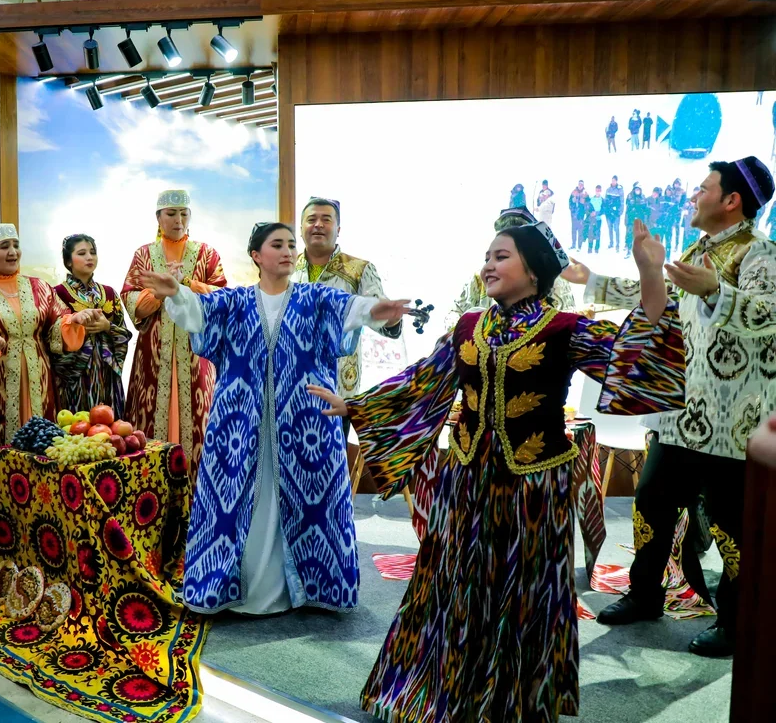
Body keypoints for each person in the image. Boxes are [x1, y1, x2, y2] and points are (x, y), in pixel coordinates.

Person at [311, 217, 682, 721]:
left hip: (533, 488)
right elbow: (422, 381)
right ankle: (446, 690)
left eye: (501, 256)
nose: (488, 265)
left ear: (534, 271)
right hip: (466, 481)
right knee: (454, 583)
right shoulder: (468, 326)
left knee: (520, 590)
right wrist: (355, 406)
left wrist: (651, 274)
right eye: (486, 256)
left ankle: (509, 701)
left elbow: (636, 356)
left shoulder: (566, 329)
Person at [140, 222, 412, 615]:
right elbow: (198, 313)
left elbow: (351, 308)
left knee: (309, 502)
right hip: (238, 428)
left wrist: (376, 311)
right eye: (277, 245)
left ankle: (308, 588)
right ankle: (238, 589)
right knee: (241, 504)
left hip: (306, 428)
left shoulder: (315, 298)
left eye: (290, 245)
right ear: (257, 255)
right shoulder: (234, 302)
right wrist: (177, 293)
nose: (287, 251)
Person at [565, 157, 776, 657]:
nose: (694, 196)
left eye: (703, 188)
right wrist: (592, 280)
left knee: (731, 525)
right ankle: (645, 595)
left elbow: (769, 314)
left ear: (732, 200)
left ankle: (736, 623)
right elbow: (657, 295)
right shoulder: (699, 250)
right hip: (680, 416)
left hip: (734, 423)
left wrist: (716, 291)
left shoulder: (761, 253)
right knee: (652, 503)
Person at [0, 224, 99, 488]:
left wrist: (74, 319)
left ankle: (43, 504)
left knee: (44, 444)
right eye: (4, 247)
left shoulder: (39, 287)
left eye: (15, 245)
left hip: (40, 381)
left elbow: (58, 321)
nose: (13, 252)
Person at [122, 190, 228, 480]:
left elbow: (221, 298)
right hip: (154, 353)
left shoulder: (207, 254)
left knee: (200, 420)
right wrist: (158, 294)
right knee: (148, 421)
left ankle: (198, 493)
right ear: (158, 218)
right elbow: (130, 298)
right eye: (171, 213)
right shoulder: (144, 255)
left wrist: (188, 284)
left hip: (195, 353)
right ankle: (150, 489)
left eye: (184, 213)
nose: (178, 219)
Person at [291, 197, 402, 404]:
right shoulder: (286, 269)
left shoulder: (359, 270)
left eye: (326, 219)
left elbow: (379, 315)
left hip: (338, 386)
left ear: (338, 229)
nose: (318, 225)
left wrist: (391, 317)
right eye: (311, 219)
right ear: (301, 228)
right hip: (291, 383)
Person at [450, 208, 578, 321]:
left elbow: (568, 315)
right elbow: (455, 312)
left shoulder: (555, 282)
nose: (487, 267)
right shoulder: (481, 279)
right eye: (487, 259)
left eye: (502, 256)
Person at [52, 233, 132, 414]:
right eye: (82, 253)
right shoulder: (57, 293)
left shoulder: (109, 293)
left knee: (110, 423)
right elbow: (52, 337)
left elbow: (124, 333)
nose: (89, 257)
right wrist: (77, 329)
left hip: (107, 371)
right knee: (76, 422)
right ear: (68, 261)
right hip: (75, 374)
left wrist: (107, 327)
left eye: (93, 252)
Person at [625, 183, 649, 258]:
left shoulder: (643, 197)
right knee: (629, 234)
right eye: (636, 189)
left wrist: (644, 218)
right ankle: (628, 249)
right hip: (631, 219)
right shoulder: (630, 196)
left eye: (638, 189)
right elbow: (628, 208)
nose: (637, 191)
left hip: (640, 219)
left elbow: (645, 209)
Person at [604, 176, 625, 250]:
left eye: (614, 180)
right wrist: (606, 211)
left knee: (616, 228)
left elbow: (622, 202)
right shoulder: (608, 190)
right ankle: (611, 243)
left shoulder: (620, 190)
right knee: (610, 228)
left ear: (616, 181)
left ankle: (617, 244)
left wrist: (620, 212)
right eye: (612, 180)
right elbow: (605, 201)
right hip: (609, 213)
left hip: (616, 213)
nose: (613, 182)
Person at [568, 180, 586, 249]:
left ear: (583, 185)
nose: (580, 185)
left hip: (581, 215)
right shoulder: (574, 192)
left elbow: (588, 204)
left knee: (580, 230)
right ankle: (573, 245)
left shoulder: (585, 193)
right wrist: (573, 202)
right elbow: (569, 202)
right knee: (574, 230)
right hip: (574, 215)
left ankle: (579, 246)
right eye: (579, 184)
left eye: (582, 184)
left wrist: (583, 203)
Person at [588, 185, 604, 253]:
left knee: (597, 233)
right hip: (592, 219)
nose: (598, 192)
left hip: (598, 219)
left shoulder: (602, 200)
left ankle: (597, 248)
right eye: (597, 190)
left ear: (601, 191)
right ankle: (590, 248)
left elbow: (603, 210)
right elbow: (588, 208)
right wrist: (591, 213)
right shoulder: (592, 199)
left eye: (599, 190)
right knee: (591, 233)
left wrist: (597, 213)